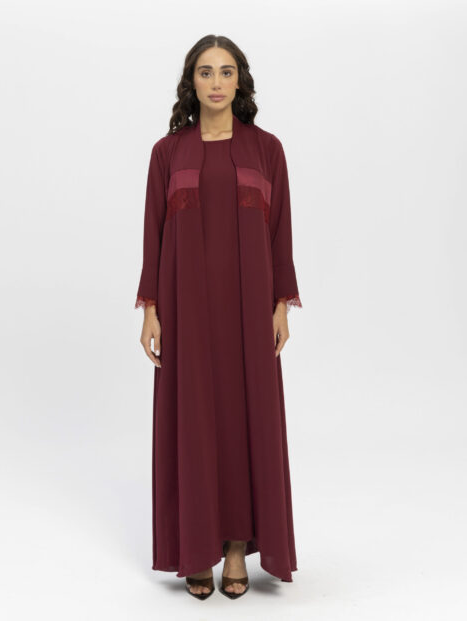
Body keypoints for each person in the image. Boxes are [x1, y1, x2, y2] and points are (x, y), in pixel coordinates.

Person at [135, 34, 303, 600]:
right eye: (205, 72)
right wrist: (150, 309)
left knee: (243, 417)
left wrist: (281, 303)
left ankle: (234, 546)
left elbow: (280, 231)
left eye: (226, 72)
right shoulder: (167, 152)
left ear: (240, 80)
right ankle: (197, 546)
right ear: (191, 81)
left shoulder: (267, 149)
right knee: (195, 418)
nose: (215, 82)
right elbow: (153, 232)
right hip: (185, 307)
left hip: (250, 307)